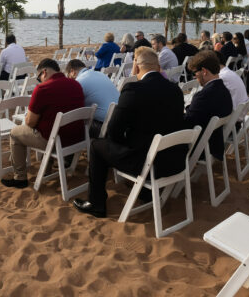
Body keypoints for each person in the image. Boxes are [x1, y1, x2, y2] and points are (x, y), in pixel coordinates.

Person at [72, 47, 185, 217]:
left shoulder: (133, 89)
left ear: (137, 67)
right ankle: (145, 193)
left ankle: (97, 203)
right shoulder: (175, 90)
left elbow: (114, 130)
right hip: (173, 159)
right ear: (158, 67)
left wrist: (124, 138)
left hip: (147, 162)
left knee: (97, 146)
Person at [1, 59, 85, 189]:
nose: (39, 80)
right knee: (49, 126)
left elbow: (30, 122)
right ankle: (47, 169)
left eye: (39, 77)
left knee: (15, 133)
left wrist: (30, 116)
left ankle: (20, 177)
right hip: (76, 139)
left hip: (55, 141)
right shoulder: (76, 85)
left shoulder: (42, 89)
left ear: (44, 72)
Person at [184, 51, 234, 160]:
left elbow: (187, 124)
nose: (194, 77)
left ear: (204, 71)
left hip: (202, 147)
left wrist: (187, 108)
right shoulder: (224, 90)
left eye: (195, 73)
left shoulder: (203, 96)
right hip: (215, 144)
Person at [65, 59, 119, 137]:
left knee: (72, 124)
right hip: (120, 120)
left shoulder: (79, 82)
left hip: (106, 127)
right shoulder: (100, 74)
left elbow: (71, 106)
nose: (69, 80)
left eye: (68, 76)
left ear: (72, 71)